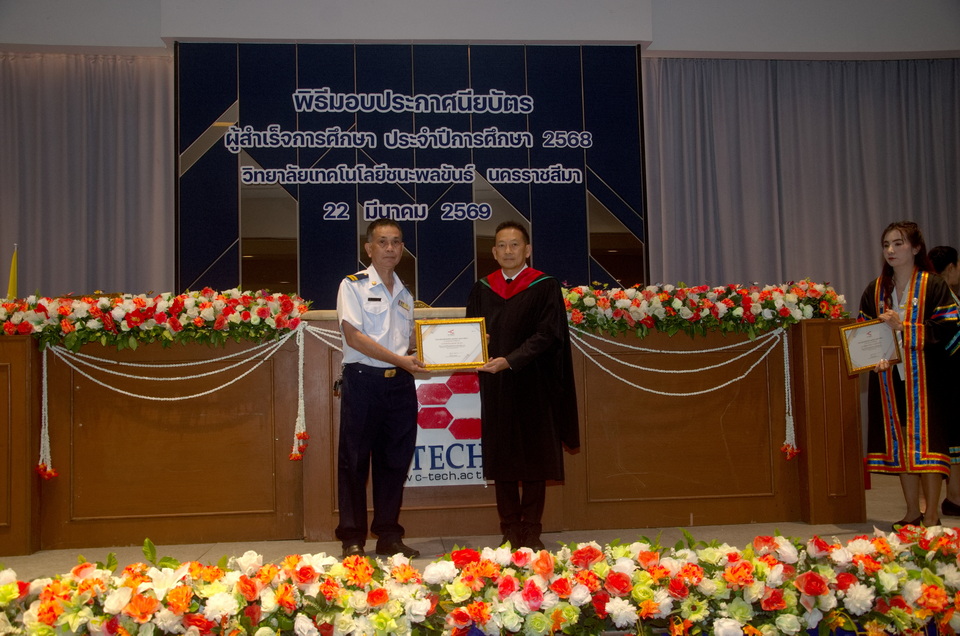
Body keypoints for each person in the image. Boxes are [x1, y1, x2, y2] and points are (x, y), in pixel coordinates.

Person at [465, 221, 581, 550]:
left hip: (534, 382)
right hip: (497, 384)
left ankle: (531, 529)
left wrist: (511, 360)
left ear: (527, 250)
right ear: (493, 252)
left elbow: (548, 335)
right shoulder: (482, 288)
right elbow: (471, 331)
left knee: (534, 458)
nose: (508, 251)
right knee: (502, 457)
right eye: (502, 245)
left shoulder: (544, 286)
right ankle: (509, 528)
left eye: (515, 244)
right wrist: (476, 345)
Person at [335, 218, 426, 559]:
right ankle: (352, 538)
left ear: (403, 248)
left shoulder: (405, 294)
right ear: (369, 248)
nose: (390, 248)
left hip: (399, 385)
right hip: (364, 381)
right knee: (354, 462)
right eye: (383, 241)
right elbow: (354, 337)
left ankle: (388, 535)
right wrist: (401, 359)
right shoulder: (353, 286)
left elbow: (406, 344)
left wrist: (454, 346)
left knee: (395, 462)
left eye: (397, 241)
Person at [860, 222, 959, 530]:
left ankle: (931, 514)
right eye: (886, 244)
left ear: (916, 248)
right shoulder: (876, 289)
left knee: (928, 443)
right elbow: (863, 332)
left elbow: (949, 329)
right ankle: (912, 512)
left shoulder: (934, 285)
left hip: (928, 378)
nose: (890, 250)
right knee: (902, 442)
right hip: (889, 378)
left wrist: (904, 327)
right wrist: (870, 360)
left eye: (898, 243)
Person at [929, 245, 960, 517]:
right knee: (953, 437)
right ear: (951, 266)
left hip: (947, 373)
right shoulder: (942, 296)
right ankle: (954, 497)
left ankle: (954, 495)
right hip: (948, 374)